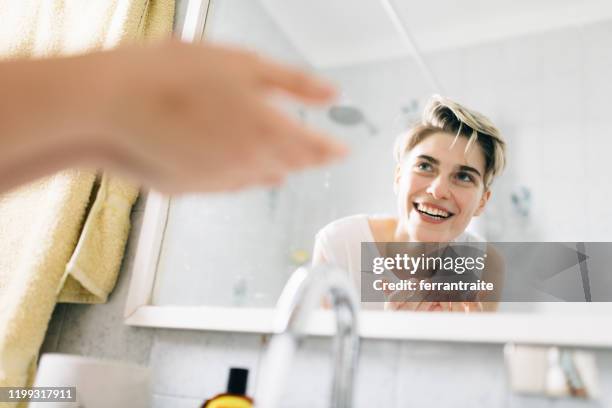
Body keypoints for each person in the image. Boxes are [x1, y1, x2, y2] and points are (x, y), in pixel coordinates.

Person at [0, 40, 347, 194]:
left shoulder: (388, 244)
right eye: (406, 170)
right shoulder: (342, 235)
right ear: (394, 176)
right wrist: (119, 94)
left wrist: (105, 139)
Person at [312, 95, 506, 312]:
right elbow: (313, 345)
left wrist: (466, 332)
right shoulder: (340, 244)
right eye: (424, 166)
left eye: (463, 177)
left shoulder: (486, 265)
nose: (438, 190)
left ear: (482, 202)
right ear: (398, 177)